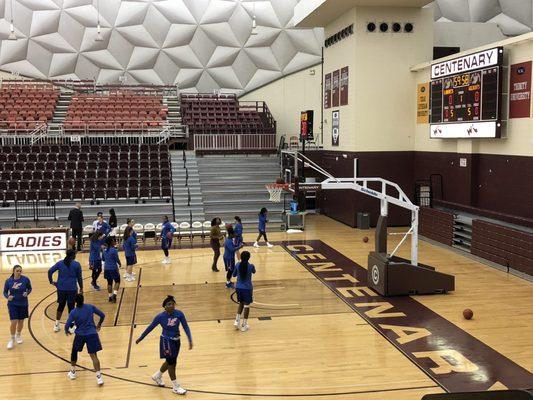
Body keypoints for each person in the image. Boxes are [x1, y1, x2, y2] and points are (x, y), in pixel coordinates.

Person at [135, 295, 192, 395]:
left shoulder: (179, 314)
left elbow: (186, 327)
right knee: (172, 364)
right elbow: (150, 328)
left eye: (172, 304)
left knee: (171, 361)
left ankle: (157, 376)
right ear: (164, 307)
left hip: (176, 341)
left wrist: (190, 339)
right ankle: (175, 386)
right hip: (166, 341)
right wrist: (141, 338)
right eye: (169, 304)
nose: (171, 306)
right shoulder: (160, 317)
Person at [65, 293, 105, 386]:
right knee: (94, 356)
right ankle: (99, 377)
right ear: (83, 300)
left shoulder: (73, 312)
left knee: (74, 351)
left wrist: (66, 331)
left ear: (75, 302)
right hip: (92, 333)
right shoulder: (90, 307)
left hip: (80, 335)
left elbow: (67, 325)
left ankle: (73, 372)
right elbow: (102, 315)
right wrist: (99, 324)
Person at [48, 250, 83, 333]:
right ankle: (71, 327)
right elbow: (79, 278)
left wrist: (51, 281)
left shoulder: (60, 263)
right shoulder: (76, 264)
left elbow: (50, 271)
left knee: (61, 306)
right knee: (71, 307)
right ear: (73, 255)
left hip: (61, 289)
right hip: (72, 289)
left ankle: (56, 325)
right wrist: (81, 287)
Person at [3, 265, 32, 349]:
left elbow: (30, 288)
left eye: (20, 271)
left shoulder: (25, 279)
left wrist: (27, 293)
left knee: (21, 321)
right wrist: (7, 297)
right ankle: (12, 339)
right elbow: (4, 292)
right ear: (13, 271)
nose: (19, 272)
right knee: (14, 321)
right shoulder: (8, 281)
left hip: (23, 303)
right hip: (12, 304)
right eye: (17, 271)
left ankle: (18, 335)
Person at [233, 251, 255, 332]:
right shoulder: (251, 266)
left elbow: (234, 275)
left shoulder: (238, 264)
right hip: (247, 288)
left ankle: (236, 321)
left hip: (238, 287)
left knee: (241, 303)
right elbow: (254, 271)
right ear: (249, 258)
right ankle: (244, 325)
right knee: (247, 306)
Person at [103, 237, 121, 303]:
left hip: (106, 268)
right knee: (117, 281)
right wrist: (120, 263)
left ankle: (110, 297)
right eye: (113, 241)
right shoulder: (114, 250)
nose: (114, 242)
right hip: (113, 268)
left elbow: (103, 259)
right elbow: (117, 259)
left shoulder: (104, 251)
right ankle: (114, 295)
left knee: (109, 282)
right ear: (111, 242)